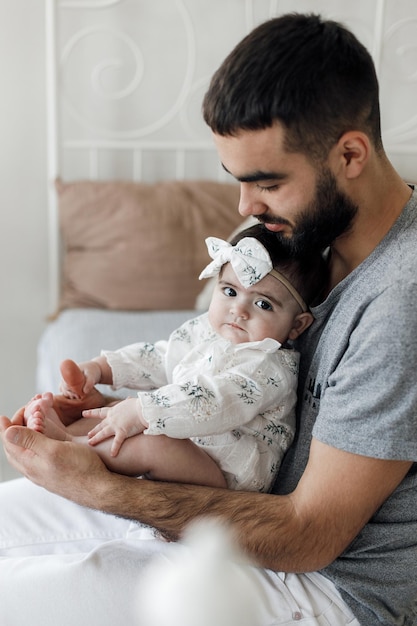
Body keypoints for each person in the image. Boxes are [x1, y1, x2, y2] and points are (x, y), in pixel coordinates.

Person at [0, 12, 416, 626]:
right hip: (237, 519)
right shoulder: (314, 244)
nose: (245, 208)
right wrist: (109, 401)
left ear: (350, 154)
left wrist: (97, 484)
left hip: (322, 588)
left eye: (266, 183)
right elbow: (196, 358)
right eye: (237, 180)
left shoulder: (400, 301)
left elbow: (308, 536)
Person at [23, 225, 320, 492]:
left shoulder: (268, 366)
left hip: (229, 473)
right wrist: (103, 369)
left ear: (297, 325)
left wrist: (143, 412)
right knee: (112, 420)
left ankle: (72, 450)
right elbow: (161, 358)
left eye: (262, 304)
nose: (238, 310)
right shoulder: (206, 331)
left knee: (153, 442)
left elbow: (214, 401)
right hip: (191, 440)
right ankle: (65, 435)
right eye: (230, 291)